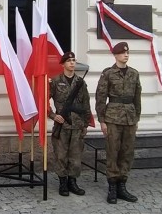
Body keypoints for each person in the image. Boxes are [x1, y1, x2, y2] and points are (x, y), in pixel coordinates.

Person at [95, 41, 141, 204]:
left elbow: (137, 98)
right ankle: (112, 187)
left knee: (127, 152)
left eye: (127, 53)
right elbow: (100, 97)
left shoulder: (134, 74)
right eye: (122, 53)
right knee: (113, 152)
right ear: (115, 55)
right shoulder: (108, 73)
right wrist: (102, 120)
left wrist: (136, 118)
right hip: (113, 117)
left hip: (129, 117)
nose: (126, 55)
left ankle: (122, 186)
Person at [48, 51, 92, 197]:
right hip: (62, 126)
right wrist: (53, 116)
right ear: (63, 64)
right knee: (61, 155)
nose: (72, 63)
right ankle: (62, 183)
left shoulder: (80, 82)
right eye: (68, 61)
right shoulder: (55, 81)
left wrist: (85, 124)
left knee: (75, 156)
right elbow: (43, 102)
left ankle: (73, 182)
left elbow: (86, 104)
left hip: (77, 125)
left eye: (73, 60)